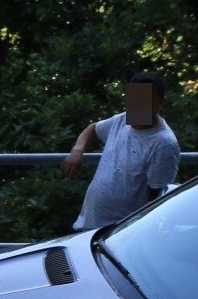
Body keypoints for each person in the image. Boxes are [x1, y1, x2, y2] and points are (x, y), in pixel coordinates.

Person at [64, 72, 181, 231]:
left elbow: (154, 202)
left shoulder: (163, 143)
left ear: (162, 103)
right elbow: (93, 129)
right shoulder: (122, 120)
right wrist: (77, 150)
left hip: (117, 234)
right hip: (89, 225)